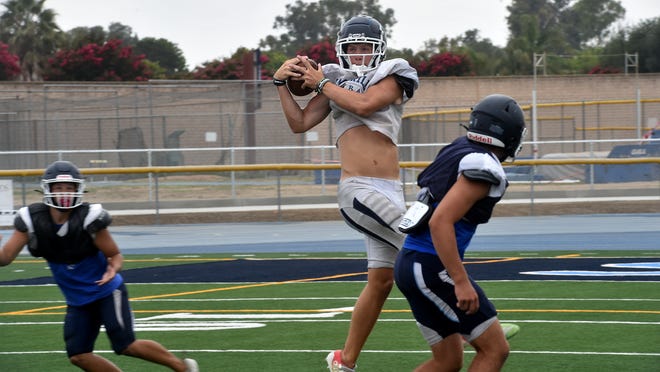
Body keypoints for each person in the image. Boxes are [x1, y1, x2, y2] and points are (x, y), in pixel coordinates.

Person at [273, 14, 419, 372]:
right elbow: (300, 123)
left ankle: (344, 360)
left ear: (379, 49)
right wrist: (280, 82)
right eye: (351, 47)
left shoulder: (395, 73)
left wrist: (321, 82)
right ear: (341, 48)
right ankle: (466, 326)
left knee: (383, 281)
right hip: (358, 188)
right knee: (422, 248)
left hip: (390, 190)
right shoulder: (333, 80)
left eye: (365, 47)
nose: (357, 53)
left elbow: (366, 104)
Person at [0, 160, 199, 372]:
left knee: (125, 344)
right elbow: (5, 258)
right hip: (77, 298)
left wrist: (114, 269)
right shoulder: (32, 219)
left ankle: (183, 368)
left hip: (105, 290)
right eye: (59, 188)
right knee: (78, 355)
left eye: (70, 188)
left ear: (79, 189)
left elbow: (114, 254)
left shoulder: (89, 218)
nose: (64, 193)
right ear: (47, 189)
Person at [393, 94, 527, 372]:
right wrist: (460, 281)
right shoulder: (483, 165)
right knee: (495, 349)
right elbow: (440, 222)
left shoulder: (460, 149)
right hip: (430, 266)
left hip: (413, 263)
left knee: (447, 362)